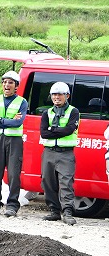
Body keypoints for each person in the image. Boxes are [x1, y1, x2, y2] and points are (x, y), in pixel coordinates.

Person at [0, 70, 29, 218]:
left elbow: (18, 123)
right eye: (4, 82)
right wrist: (7, 120)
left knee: (13, 174)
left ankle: (12, 205)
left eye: (10, 82)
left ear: (16, 86)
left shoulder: (22, 102)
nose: (7, 85)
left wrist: (0, 120)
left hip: (15, 141)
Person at [39, 81, 79, 225]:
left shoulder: (73, 111)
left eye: (60, 94)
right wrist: (55, 131)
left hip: (66, 153)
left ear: (67, 96)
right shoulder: (47, 113)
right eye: (54, 94)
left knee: (66, 182)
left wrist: (52, 130)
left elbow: (69, 129)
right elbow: (43, 133)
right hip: (48, 152)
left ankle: (67, 212)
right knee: (47, 181)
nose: (56, 97)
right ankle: (54, 211)